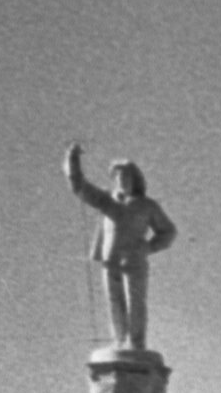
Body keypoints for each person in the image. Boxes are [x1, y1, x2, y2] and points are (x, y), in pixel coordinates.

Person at [63, 145, 178, 353]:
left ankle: (136, 343)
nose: (121, 181)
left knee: (135, 304)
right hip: (110, 259)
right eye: (117, 177)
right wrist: (72, 161)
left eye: (126, 176)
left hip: (134, 260)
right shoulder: (107, 201)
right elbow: (80, 187)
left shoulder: (146, 205)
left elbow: (168, 231)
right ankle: (119, 340)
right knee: (114, 302)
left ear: (134, 179)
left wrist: (148, 248)